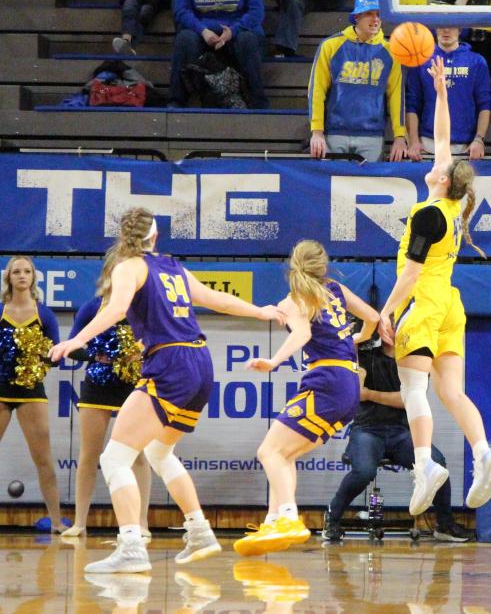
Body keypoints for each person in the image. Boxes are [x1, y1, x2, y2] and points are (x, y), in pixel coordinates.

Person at [48, 207, 285, 573]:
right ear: (155, 237)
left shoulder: (129, 267)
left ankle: (130, 545)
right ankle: (200, 530)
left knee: (114, 459)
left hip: (170, 363)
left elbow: (115, 309)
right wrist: (261, 312)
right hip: (200, 363)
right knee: (159, 452)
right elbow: (215, 299)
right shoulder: (172, 266)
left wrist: (76, 339)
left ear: (124, 238)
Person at [377, 56, 491, 517]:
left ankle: (425, 465)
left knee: (413, 390)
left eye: (439, 165)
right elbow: (445, 136)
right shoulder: (449, 205)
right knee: (452, 392)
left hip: (425, 300)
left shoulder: (427, 213)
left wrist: (385, 313)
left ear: (443, 179)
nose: (434, 162)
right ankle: (484, 452)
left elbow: (410, 275)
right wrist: (443, 93)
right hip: (452, 304)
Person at [233, 239, 379, 556]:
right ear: (322, 265)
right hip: (348, 384)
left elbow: (303, 335)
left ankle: (287, 516)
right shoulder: (335, 290)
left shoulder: (293, 300)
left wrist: (273, 362)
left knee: (269, 451)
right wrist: (357, 338)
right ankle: (274, 520)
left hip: (327, 382)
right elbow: (372, 317)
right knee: (283, 454)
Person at [323, 333, 475, 543]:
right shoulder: (367, 355)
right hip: (368, 429)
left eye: (397, 325)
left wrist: (372, 395)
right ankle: (332, 518)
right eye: (387, 324)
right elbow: (357, 392)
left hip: (402, 432)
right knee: (364, 471)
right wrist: (356, 348)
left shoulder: (417, 359)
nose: (391, 330)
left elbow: (407, 400)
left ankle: (445, 525)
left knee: (437, 463)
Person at [60, 264, 152, 539]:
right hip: (97, 386)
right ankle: (79, 523)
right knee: (89, 455)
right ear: (108, 275)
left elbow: (158, 341)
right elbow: (72, 347)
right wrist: (96, 357)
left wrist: (140, 355)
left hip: (133, 386)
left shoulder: (143, 307)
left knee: (138, 456)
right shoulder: (93, 307)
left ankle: (142, 523)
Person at [0, 256, 66, 533]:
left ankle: (56, 521)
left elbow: (57, 355)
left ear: (33, 278)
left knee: (43, 458)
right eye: (17, 272)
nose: (22, 276)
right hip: (0, 389)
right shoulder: (0, 310)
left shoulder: (44, 314)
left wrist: (40, 359)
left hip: (31, 392)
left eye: (27, 271)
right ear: (9, 278)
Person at [169, 0, 268, 109]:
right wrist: (203, 31)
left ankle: (258, 101)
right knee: (184, 38)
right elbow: (181, 10)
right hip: (204, 32)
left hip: (237, 31)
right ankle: (177, 100)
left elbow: (256, 11)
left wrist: (233, 31)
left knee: (248, 40)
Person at [308, 0, 406, 162]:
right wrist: (316, 131)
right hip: (335, 132)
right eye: (369, 13)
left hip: (372, 135)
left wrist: (399, 136)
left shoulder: (391, 51)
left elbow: (397, 96)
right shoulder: (330, 46)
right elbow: (316, 90)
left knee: (369, 188)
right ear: (356, 17)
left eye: (379, 14)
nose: (375, 19)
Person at [406, 26, 491, 161]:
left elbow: (484, 104)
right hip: (428, 144)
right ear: (435, 29)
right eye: (441, 26)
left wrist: (479, 139)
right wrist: (414, 141)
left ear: (460, 29)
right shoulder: (421, 60)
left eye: (452, 26)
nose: (446, 31)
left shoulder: (477, 62)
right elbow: (412, 103)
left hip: (466, 146)